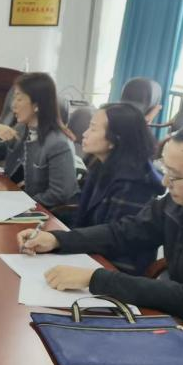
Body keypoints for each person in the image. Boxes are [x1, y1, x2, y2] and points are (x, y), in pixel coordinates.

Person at [18, 118, 183, 365]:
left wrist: (96, 279)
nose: (165, 182)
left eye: (175, 176)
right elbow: (127, 231)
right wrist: (59, 239)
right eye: (166, 169)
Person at [74, 102, 164, 274]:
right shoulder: (100, 164)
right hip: (91, 252)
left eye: (93, 129)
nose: (85, 134)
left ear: (116, 139)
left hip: (116, 268)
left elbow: (114, 240)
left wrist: (64, 242)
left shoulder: (134, 182)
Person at [0, 72, 77, 209]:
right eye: (14, 98)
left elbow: (60, 193)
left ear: (37, 105)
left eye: (19, 99)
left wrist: (22, 203)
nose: (13, 105)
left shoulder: (58, 143)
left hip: (39, 214)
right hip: (13, 201)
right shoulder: (21, 128)